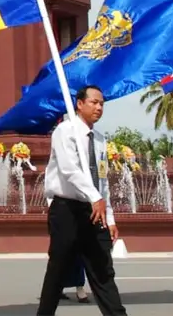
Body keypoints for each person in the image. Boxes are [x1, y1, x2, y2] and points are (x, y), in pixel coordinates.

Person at [37, 85, 127, 316]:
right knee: (58, 271)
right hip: (67, 210)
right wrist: (95, 197)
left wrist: (110, 217)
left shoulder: (98, 138)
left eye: (102, 104)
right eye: (94, 102)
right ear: (79, 104)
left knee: (103, 271)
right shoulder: (64, 131)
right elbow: (69, 170)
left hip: (94, 211)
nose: (98, 107)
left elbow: (102, 179)